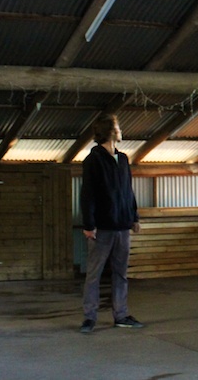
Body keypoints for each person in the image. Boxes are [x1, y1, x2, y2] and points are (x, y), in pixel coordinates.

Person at [79, 114, 143, 333]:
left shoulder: (123, 159)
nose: (120, 130)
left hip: (122, 227)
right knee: (94, 274)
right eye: (117, 126)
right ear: (109, 131)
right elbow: (87, 194)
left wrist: (134, 217)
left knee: (121, 273)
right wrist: (89, 224)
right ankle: (89, 317)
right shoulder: (93, 160)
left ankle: (121, 315)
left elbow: (128, 191)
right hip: (102, 228)